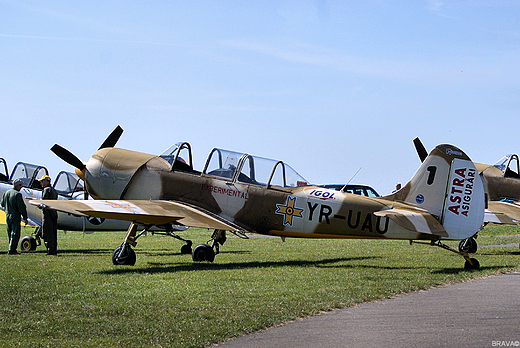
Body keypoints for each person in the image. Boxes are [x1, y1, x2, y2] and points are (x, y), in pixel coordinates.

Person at [1, 179, 28, 254]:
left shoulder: (6, 192)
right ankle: (12, 250)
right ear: (17, 185)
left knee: (10, 233)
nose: (21, 187)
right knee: (15, 233)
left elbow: (2, 204)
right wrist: (25, 217)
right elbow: (21, 207)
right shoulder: (17, 194)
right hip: (15, 215)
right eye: (20, 185)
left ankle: (10, 248)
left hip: (7, 215)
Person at [38, 175, 58, 255]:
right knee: (53, 232)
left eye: (42, 181)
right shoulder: (54, 190)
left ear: (47, 181)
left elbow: (44, 203)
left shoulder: (46, 190)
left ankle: (50, 250)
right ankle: (54, 249)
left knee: (47, 232)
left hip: (47, 214)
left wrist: (39, 205)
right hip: (54, 213)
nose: (41, 183)